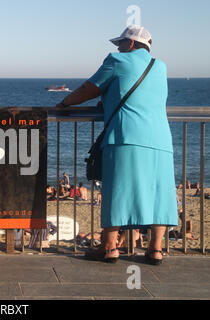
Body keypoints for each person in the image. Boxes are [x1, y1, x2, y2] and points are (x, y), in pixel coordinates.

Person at [56, 25, 178, 265]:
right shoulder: (160, 67)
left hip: (126, 135)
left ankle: (109, 247)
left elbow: (88, 88)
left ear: (130, 43)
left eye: (120, 43)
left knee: (117, 191)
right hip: (160, 138)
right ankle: (155, 250)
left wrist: (63, 103)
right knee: (159, 193)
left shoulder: (117, 60)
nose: (117, 47)